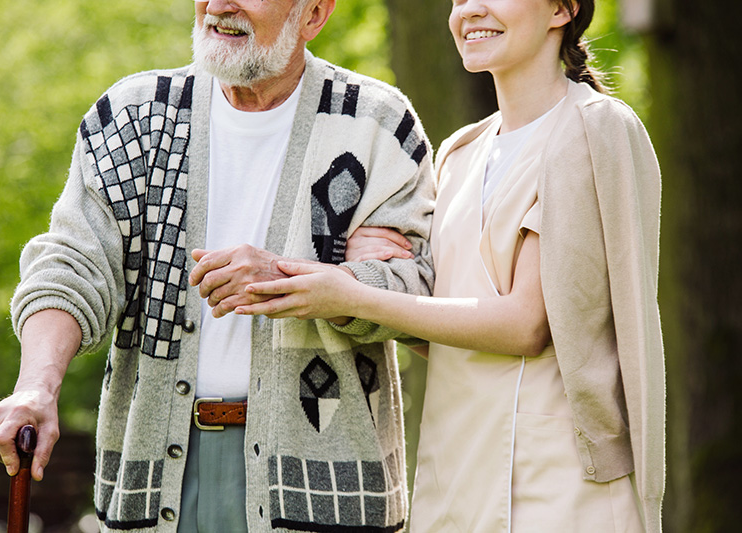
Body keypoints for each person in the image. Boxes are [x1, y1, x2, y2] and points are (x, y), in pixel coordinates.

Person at [0, 0, 435, 531]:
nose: (219, 5)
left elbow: (419, 296)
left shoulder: (376, 124)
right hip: (153, 479)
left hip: (326, 485)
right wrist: (37, 384)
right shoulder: (132, 116)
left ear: (313, 14)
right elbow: (72, 263)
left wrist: (302, 280)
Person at [234, 0, 666, 531]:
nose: (470, 10)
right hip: (456, 480)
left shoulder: (594, 128)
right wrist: (365, 274)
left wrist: (350, 296)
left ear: (562, 9)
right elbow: (439, 334)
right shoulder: (460, 154)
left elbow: (526, 324)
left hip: (557, 488)